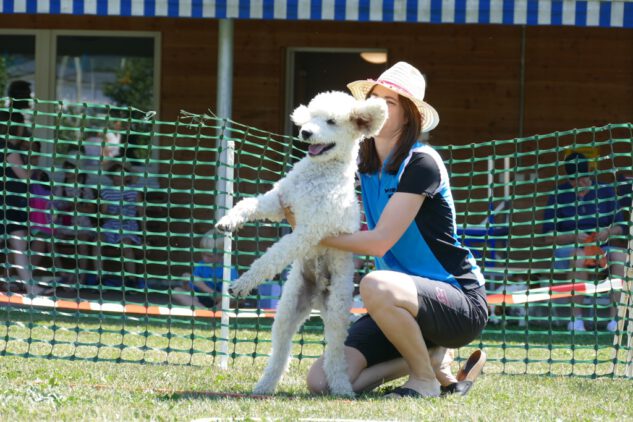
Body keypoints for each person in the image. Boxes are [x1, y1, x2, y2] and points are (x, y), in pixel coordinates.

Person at [289, 62, 488, 398]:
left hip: (458, 302)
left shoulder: (422, 163)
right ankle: (430, 359)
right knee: (322, 383)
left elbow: (380, 243)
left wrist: (311, 234)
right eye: (374, 98)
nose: (379, 106)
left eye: (390, 102)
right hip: (397, 304)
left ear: (409, 117)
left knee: (375, 283)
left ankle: (424, 380)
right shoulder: (357, 162)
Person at [542, 152, 627, 332]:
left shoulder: (605, 190)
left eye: (583, 178)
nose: (580, 182)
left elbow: (620, 227)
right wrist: (572, 236)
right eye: (575, 180)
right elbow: (548, 237)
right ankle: (576, 319)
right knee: (578, 257)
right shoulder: (558, 195)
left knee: (621, 257)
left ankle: (615, 320)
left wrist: (607, 232)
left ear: (589, 174)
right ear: (568, 178)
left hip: (602, 245)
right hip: (569, 248)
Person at [0, 111, 51, 296]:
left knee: (19, 246)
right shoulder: (9, 149)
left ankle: (30, 287)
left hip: (10, 203)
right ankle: (30, 287)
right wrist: (33, 166)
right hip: (10, 204)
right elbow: (25, 177)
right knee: (19, 247)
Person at [97, 162, 144, 286]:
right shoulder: (106, 192)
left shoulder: (134, 191)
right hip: (110, 225)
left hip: (128, 225)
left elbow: (142, 213)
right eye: (116, 174)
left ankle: (131, 280)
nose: (118, 177)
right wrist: (112, 214)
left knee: (126, 243)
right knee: (97, 241)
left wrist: (144, 235)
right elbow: (103, 215)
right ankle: (99, 278)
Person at [172, 233, 238, 308]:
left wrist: (202, 286)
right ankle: (205, 312)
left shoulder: (229, 271)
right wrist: (185, 282)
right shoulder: (201, 265)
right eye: (203, 254)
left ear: (223, 255)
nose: (204, 258)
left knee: (231, 297)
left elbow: (223, 299)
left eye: (209, 256)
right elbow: (191, 291)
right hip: (202, 300)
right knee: (176, 291)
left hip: (220, 303)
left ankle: (212, 312)